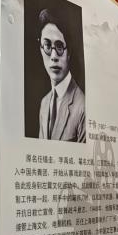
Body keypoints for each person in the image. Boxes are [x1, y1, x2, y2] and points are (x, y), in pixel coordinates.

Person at [36, 8, 86, 143]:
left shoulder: (82, 107)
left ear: (69, 52)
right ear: (41, 49)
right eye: (47, 46)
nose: (53, 56)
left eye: (59, 47)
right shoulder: (44, 103)